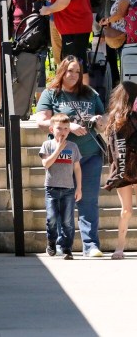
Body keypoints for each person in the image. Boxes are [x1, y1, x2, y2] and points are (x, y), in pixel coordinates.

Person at [36, 55, 106, 257]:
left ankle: (91, 245)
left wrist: (100, 119)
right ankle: (61, 245)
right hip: (62, 156)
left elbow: (105, 117)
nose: (74, 75)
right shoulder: (51, 94)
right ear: (62, 72)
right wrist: (69, 127)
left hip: (90, 154)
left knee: (89, 200)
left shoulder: (90, 93)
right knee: (62, 202)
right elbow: (41, 121)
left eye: (78, 71)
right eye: (70, 71)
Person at [39, 113, 82, 260]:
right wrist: (58, 149)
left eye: (65, 128)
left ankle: (67, 248)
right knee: (51, 219)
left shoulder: (73, 147)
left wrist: (79, 188)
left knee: (67, 221)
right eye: (59, 128)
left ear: (69, 130)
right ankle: (51, 241)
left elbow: (77, 168)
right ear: (51, 129)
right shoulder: (47, 145)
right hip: (51, 188)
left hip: (68, 189)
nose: (62, 132)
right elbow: (46, 164)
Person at [102, 81, 137, 259]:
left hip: (128, 168)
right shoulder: (118, 120)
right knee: (126, 210)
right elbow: (117, 149)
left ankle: (120, 248)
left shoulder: (120, 119)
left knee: (126, 211)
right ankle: (119, 248)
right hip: (125, 170)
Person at [89, 0, 119, 85]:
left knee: (109, 59)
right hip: (99, 22)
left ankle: (112, 87)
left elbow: (106, 2)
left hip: (103, 23)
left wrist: (105, 26)